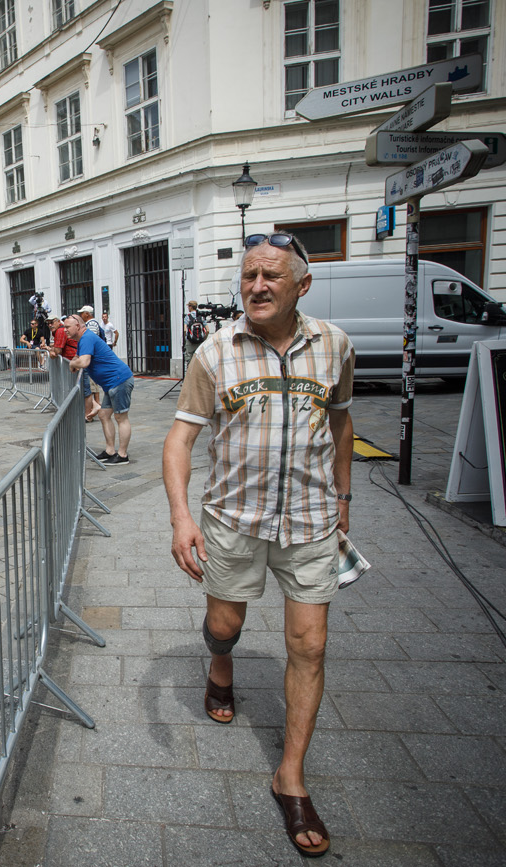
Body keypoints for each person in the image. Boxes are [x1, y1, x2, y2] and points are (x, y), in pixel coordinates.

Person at [162, 233, 354, 859]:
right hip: (235, 521)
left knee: (311, 644)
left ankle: (290, 775)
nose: (257, 286)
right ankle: (221, 666)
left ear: (302, 284)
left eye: (271, 275)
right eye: (249, 277)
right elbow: (181, 440)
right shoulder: (214, 354)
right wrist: (181, 519)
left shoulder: (336, 347)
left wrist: (344, 502)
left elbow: (342, 421)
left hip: (310, 520)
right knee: (225, 623)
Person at [64, 313, 133, 465]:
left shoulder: (87, 337)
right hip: (111, 383)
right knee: (103, 415)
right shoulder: (83, 339)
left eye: (67, 327)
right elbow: (78, 357)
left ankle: (122, 455)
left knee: (121, 418)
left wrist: (72, 364)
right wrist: (76, 361)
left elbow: (84, 362)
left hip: (119, 380)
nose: (65, 330)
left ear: (78, 326)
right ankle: (110, 451)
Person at [182, 299, 207, 367]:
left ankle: (190, 375)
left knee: (189, 359)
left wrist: (185, 338)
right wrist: (203, 338)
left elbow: (184, 330)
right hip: (200, 341)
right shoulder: (201, 316)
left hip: (190, 341)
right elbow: (207, 330)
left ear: (190, 307)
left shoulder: (188, 317)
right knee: (200, 359)